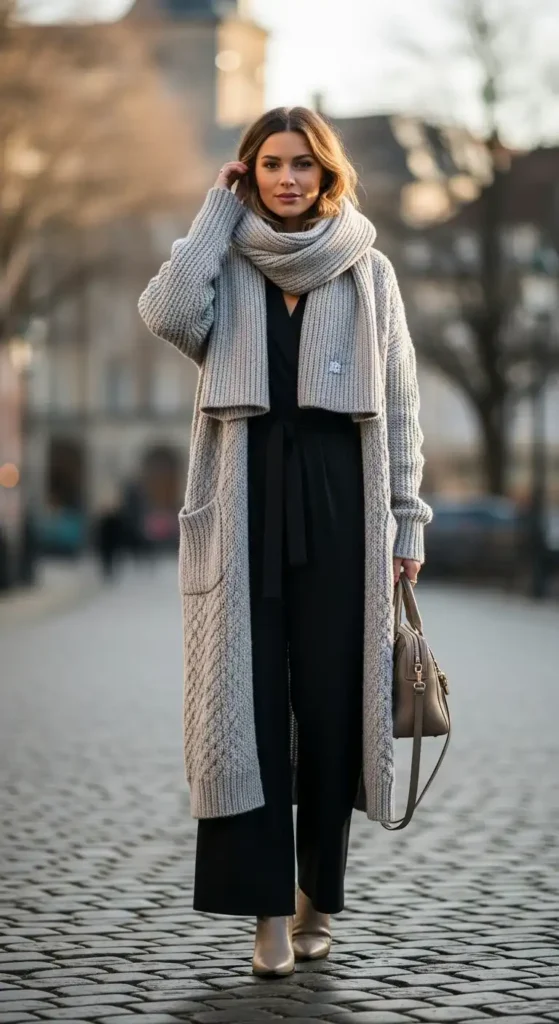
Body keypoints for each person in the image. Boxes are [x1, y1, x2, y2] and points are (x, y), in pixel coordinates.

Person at [138, 106, 432, 977]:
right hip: (243, 506)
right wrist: (212, 213)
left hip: (345, 510)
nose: (287, 178)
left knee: (334, 709)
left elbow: (401, 405)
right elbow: (164, 311)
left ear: (326, 172)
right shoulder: (222, 263)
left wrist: (407, 519)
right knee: (246, 709)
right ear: (248, 174)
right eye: (269, 164)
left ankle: (314, 898)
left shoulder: (368, 269)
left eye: (302, 163)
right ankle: (264, 911)